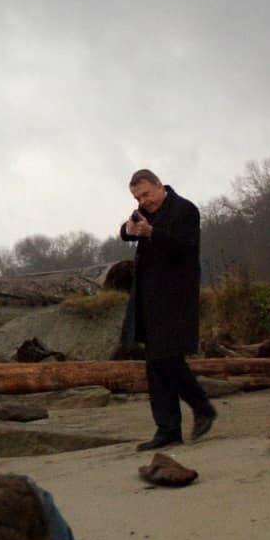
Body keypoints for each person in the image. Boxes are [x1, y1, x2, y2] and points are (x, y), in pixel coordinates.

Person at [119, 168, 217, 451]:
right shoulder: (144, 211)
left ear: (160, 186)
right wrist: (129, 229)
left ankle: (201, 407)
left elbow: (185, 246)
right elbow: (126, 232)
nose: (143, 201)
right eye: (137, 197)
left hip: (176, 294)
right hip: (148, 296)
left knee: (167, 358)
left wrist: (152, 233)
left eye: (146, 194)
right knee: (154, 364)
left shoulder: (185, 210)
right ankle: (168, 428)